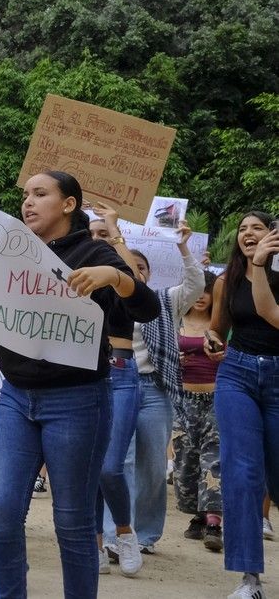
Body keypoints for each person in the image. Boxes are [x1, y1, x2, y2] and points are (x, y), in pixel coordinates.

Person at [0, 171, 158, 599]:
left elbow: (146, 307)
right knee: (1, 510)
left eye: (40, 194)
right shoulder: (10, 248)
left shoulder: (95, 252)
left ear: (69, 204)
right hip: (15, 397)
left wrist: (114, 277)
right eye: (26, 195)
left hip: (78, 401)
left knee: (73, 520)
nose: (28, 202)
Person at [89, 206, 203, 565]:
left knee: (153, 463)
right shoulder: (101, 296)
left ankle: (147, 534)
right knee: (117, 461)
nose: (134, 271)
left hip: (153, 389)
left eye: (141, 267)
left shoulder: (165, 300)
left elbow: (197, 285)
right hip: (113, 381)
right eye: (129, 266)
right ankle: (113, 535)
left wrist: (183, 248)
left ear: (148, 274)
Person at [207, 211, 279, 599]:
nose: (248, 233)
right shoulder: (227, 280)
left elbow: (270, 314)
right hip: (236, 374)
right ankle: (249, 579)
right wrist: (212, 339)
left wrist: (262, 266)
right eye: (242, 229)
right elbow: (217, 328)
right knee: (242, 473)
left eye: (258, 228)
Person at [174, 270, 223, 551]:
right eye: (198, 290)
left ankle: (214, 521)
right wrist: (174, 358)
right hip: (182, 399)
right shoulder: (175, 320)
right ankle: (199, 514)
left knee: (214, 459)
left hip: (216, 398)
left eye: (208, 290)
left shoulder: (222, 324)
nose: (202, 296)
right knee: (185, 460)